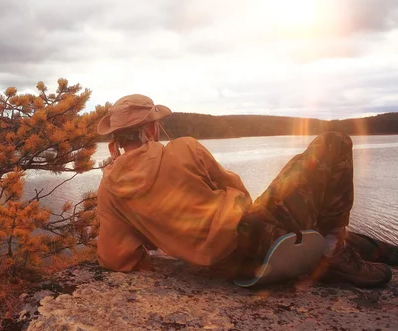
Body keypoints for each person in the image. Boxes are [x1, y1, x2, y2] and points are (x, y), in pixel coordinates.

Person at [96, 94, 396, 288]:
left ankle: (337, 246)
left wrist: (165, 237)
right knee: (333, 142)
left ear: (117, 140)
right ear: (151, 129)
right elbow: (236, 188)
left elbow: (115, 257)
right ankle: (333, 252)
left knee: (331, 231)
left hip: (231, 266)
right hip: (255, 232)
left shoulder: (109, 188)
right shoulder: (184, 148)